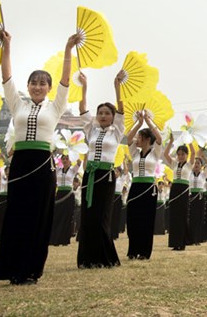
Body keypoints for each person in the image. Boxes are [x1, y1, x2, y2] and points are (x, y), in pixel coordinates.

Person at [0, 29, 79, 285]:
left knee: (38, 216)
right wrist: (7, 46)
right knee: (17, 214)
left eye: (43, 83)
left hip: (43, 166)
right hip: (20, 163)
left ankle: (31, 270)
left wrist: (68, 50)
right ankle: (11, 269)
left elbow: (66, 78)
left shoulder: (55, 106)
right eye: (34, 82)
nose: (38, 87)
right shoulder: (18, 104)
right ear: (28, 86)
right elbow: (6, 77)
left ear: (49, 88)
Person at [77, 70, 125, 268]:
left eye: (107, 113)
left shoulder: (117, 131)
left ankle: (105, 257)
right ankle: (87, 259)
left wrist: (117, 85)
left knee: (101, 216)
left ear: (113, 117)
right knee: (87, 216)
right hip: (89, 175)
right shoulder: (91, 129)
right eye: (101, 113)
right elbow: (82, 107)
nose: (103, 116)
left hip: (106, 175)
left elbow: (122, 107)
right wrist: (84, 87)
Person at [125, 110, 164, 260]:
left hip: (149, 189)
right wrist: (138, 123)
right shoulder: (135, 153)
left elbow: (159, 138)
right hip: (135, 187)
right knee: (133, 218)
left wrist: (148, 122)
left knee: (146, 220)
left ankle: (144, 251)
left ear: (147, 139)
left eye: (139, 137)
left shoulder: (155, 153)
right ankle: (133, 250)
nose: (136, 139)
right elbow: (128, 138)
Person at [163, 138, 194, 251]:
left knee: (182, 216)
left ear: (186, 155)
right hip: (174, 189)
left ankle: (182, 242)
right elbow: (165, 154)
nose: (180, 156)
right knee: (174, 216)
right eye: (179, 154)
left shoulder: (189, 164)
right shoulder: (174, 164)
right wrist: (170, 141)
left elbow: (193, 153)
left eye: (183, 154)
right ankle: (174, 243)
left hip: (184, 190)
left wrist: (189, 139)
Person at [49, 153, 80, 246]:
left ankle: (65, 239)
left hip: (69, 195)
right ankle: (55, 239)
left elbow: (79, 162)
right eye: (63, 159)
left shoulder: (73, 170)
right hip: (59, 194)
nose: (65, 160)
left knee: (67, 216)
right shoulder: (58, 170)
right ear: (61, 160)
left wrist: (73, 152)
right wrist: (51, 154)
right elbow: (51, 164)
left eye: (67, 159)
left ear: (70, 160)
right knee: (57, 216)